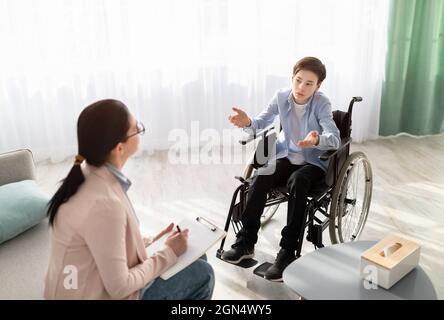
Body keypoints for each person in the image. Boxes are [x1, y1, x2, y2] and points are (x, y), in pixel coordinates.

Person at [44, 99, 214, 299]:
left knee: (194, 254)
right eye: (137, 128)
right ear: (119, 148)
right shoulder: (104, 204)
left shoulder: (87, 173)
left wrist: (152, 243)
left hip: (86, 283)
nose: (140, 131)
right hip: (101, 292)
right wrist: (167, 252)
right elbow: (120, 287)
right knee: (204, 274)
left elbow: (103, 244)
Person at [222, 57, 340, 281]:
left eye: (309, 83)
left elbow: (334, 138)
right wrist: (247, 122)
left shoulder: (321, 103)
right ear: (292, 78)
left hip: (313, 162)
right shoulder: (281, 96)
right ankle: (246, 242)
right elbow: (260, 123)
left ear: (318, 86)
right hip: (286, 154)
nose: (301, 87)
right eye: (298, 80)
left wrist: (317, 140)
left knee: (299, 180)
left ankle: (287, 251)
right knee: (261, 175)